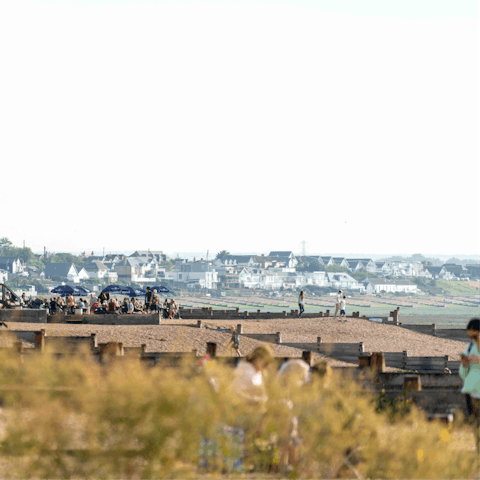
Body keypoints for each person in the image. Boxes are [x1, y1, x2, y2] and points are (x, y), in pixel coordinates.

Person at [459, 318, 480, 452]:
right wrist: (464, 365)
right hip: (471, 390)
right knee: (475, 425)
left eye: (475, 336)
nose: (472, 339)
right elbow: (463, 374)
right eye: (470, 337)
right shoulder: (470, 346)